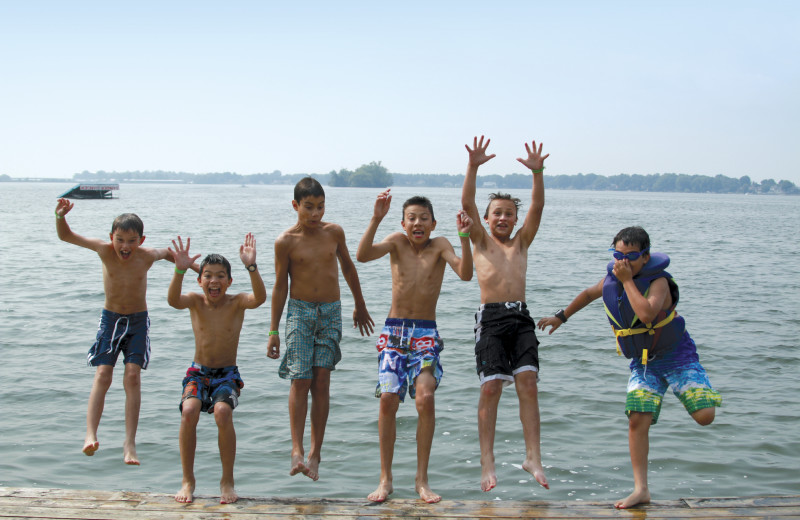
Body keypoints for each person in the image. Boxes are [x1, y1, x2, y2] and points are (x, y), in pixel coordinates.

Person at [537, 226, 722, 509]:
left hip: (677, 356)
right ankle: (641, 489)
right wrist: (560, 316)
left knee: (705, 416)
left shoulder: (657, 282)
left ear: (646, 257)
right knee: (637, 418)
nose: (623, 263)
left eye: (631, 256)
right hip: (644, 362)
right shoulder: (613, 279)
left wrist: (626, 282)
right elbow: (588, 294)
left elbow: (647, 313)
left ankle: (696, 389)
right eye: (618, 255)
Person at [356, 190, 474, 503]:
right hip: (394, 331)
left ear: (433, 223)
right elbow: (363, 254)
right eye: (412, 218)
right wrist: (376, 218)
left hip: (425, 333)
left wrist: (464, 236)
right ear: (403, 222)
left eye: (424, 218)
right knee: (388, 400)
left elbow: (465, 273)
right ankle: (386, 478)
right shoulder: (396, 241)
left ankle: (421, 480)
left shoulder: (440, 246)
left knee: (426, 398)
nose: (417, 223)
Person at [54, 198, 192, 465]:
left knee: (132, 377)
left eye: (131, 240)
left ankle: (129, 443)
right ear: (111, 237)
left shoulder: (148, 255)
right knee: (103, 374)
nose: (125, 246)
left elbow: (173, 256)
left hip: (138, 321)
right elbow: (67, 236)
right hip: (111, 320)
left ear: (141, 240)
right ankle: (90, 434)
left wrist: (203, 272)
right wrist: (60, 217)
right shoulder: (104, 250)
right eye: (120, 240)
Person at [266, 176, 374, 482]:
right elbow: (279, 287)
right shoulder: (285, 241)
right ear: (295, 205)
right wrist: (273, 330)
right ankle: (296, 450)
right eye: (309, 207)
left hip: (330, 311)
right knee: (300, 379)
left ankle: (315, 454)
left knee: (322, 380)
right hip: (299, 312)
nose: (316, 214)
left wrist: (360, 305)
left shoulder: (334, 232)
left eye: (321, 207)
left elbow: (349, 268)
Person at [460, 136, 550, 492]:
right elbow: (466, 201)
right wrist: (473, 166)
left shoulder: (522, 241)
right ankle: (488, 460)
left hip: (522, 318)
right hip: (492, 319)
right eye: (496, 213)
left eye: (508, 213)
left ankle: (533, 457)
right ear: (485, 219)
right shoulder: (480, 241)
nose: (503, 218)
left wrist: (537, 173)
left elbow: (537, 208)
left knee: (528, 384)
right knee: (492, 387)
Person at [168, 234, 267, 504]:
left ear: (229, 281)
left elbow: (260, 298)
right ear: (200, 281)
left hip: (227, 374)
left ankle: (227, 481)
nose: (214, 281)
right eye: (208, 276)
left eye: (221, 276)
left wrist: (251, 266)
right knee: (189, 411)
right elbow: (173, 301)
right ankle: (188, 480)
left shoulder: (236, 302)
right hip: (198, 372)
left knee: (223, 412)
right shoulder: (194, 300)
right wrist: (179, 269)